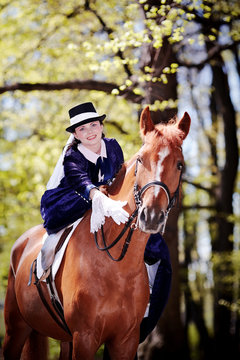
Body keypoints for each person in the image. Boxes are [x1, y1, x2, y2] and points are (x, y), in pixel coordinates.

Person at [40, 102, 172, 351]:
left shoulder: (112, 146)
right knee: (67, 226)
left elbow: (118, 177)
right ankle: (46, 268)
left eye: (93, 125)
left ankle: (147, 301)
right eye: (82, 129)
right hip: (73, 198)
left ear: (101, 126)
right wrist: (100, 198)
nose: (89, 131)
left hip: (108, 196)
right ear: (75, 135)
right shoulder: (72, 156)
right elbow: (81, 182)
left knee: (157, 248)